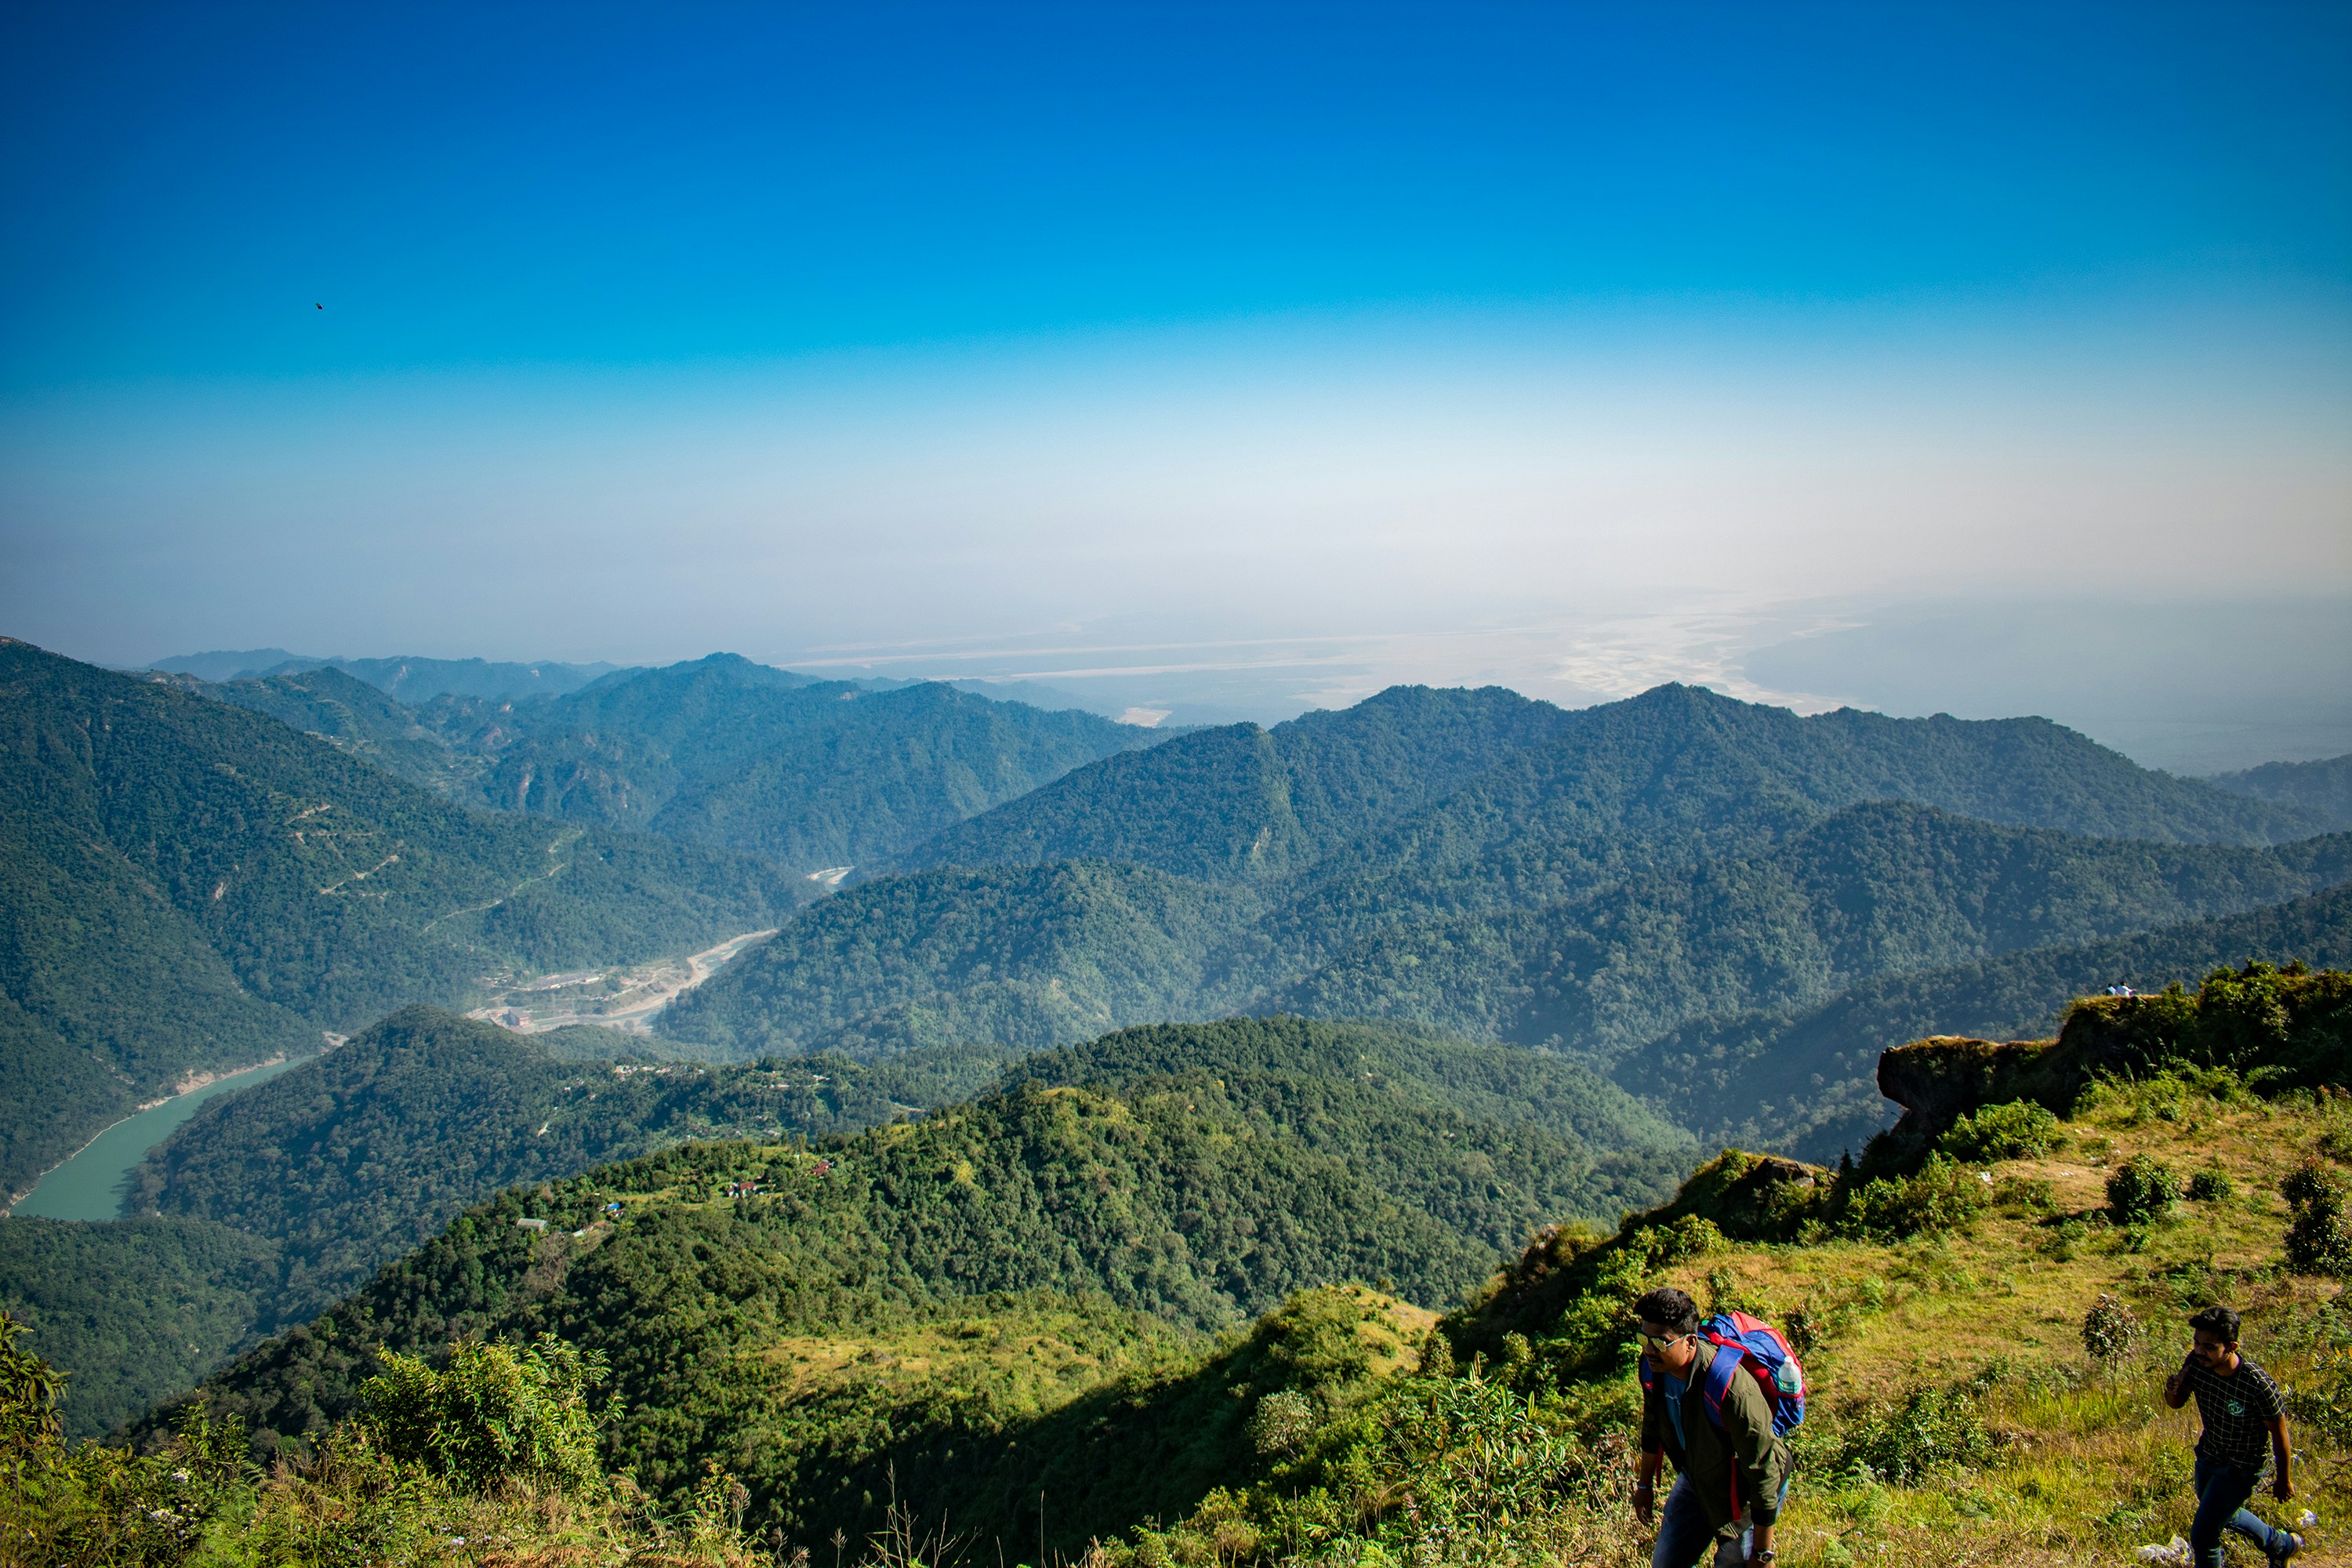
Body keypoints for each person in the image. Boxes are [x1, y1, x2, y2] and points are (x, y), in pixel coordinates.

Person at [1631, 1287, 1793, 1568]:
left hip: (1745, 1486)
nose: (1648, 1349)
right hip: (1698, 1476)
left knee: (1736, 1564)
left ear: (1690, 1343)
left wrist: (1762, 1554)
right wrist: (1644, 1485)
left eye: (1660, 1343)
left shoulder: (1730, 1388)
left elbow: (1764, 1469)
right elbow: (1652, 1424)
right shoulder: (1652, 1368)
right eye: (1643, 1338)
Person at [2161, 1305, 2303, 1567]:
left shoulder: (2256, 1384)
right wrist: (2172, 1389)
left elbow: (2280, 1435)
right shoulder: (2196, 1364)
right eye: (2196, 1343)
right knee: (2222, 1515)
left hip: (2241, 1468)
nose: (2200, 1351)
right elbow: (2176, 1402)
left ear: (2231, 1347)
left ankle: (2279, 1545)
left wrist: (2284, 1480)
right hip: (2209, 1457)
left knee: (2203, 1535)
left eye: (2209, 1346)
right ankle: (2280, 1545)